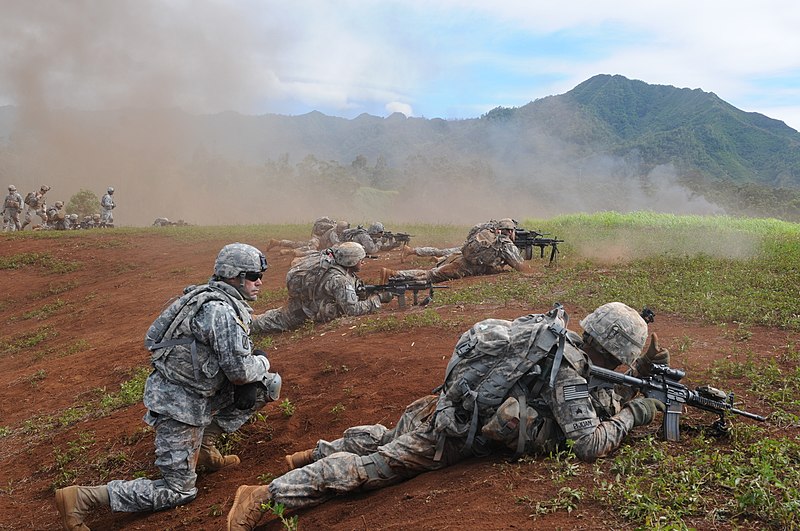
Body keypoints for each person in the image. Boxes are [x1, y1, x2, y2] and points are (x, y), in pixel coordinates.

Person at [227, 302, 668, 530]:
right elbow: (589, 443)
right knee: (375, 468)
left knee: (386, 435)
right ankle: (264, 496)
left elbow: (591, 386)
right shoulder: (569, 375)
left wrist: (634, 382)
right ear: (614, 351)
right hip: (455, 433)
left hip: (445, 404)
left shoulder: (554, 339)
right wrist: (637, 412)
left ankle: (311, 454)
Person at [55, 243, 282, 531]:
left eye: (260, 274)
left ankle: (204, 447)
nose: (259, 281)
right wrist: (262, 360)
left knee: (265, 386)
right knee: (179, 491)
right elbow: (239, 372)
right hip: (180, 404)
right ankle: (83, 498)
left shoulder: (208, 297)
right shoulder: (220, 312)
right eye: (253, 275)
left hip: (199, 391)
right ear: (233, 276)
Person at [251, 242, 389, 333]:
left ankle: (250, 318)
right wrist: (377, 300)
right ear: (350, 261)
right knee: (259, 325)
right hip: (301, 312)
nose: (362, 262)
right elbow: (352, 310)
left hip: (304, 306)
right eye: (360, 259)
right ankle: (244, 321)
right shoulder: (339, 280)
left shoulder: (338, 268)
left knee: (271, 317)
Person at [383, 218, 524, 283]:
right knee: (431, 276)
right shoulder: (505, 244)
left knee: (434, 270)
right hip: (468, 267)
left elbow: (470, 237)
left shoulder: (486, 230)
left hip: (460, 257)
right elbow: (520, 266)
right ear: (510, 231)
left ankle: (394, 274)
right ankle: (394, 274)